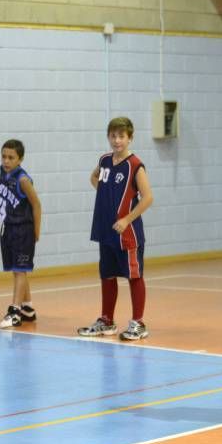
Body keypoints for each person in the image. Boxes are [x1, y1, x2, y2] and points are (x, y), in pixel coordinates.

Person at [77, 117, 154, 341]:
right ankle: (106, 320)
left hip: (127, 233)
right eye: (113, 135)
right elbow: (94, 177)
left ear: (130, 138)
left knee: (134, 276)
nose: (117, 140)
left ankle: (138, 323)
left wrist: (127, 219)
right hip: (106, 229)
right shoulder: (104, 161)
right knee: (107, 275)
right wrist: (105, 194)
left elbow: (148, 198)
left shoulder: (135, 165)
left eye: (121, 136)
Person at [0, 139, 42, 328]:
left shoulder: (23, 180)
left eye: (11, 157)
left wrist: (36, 231)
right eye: (4, 156)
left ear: (20, 159)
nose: (6, 161)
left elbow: (37, 204)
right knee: (17, 269)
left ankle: (15, 311)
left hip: (23, 229)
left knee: (20, 270)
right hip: (8, 227)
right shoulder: (3, 172)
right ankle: (27, 308)